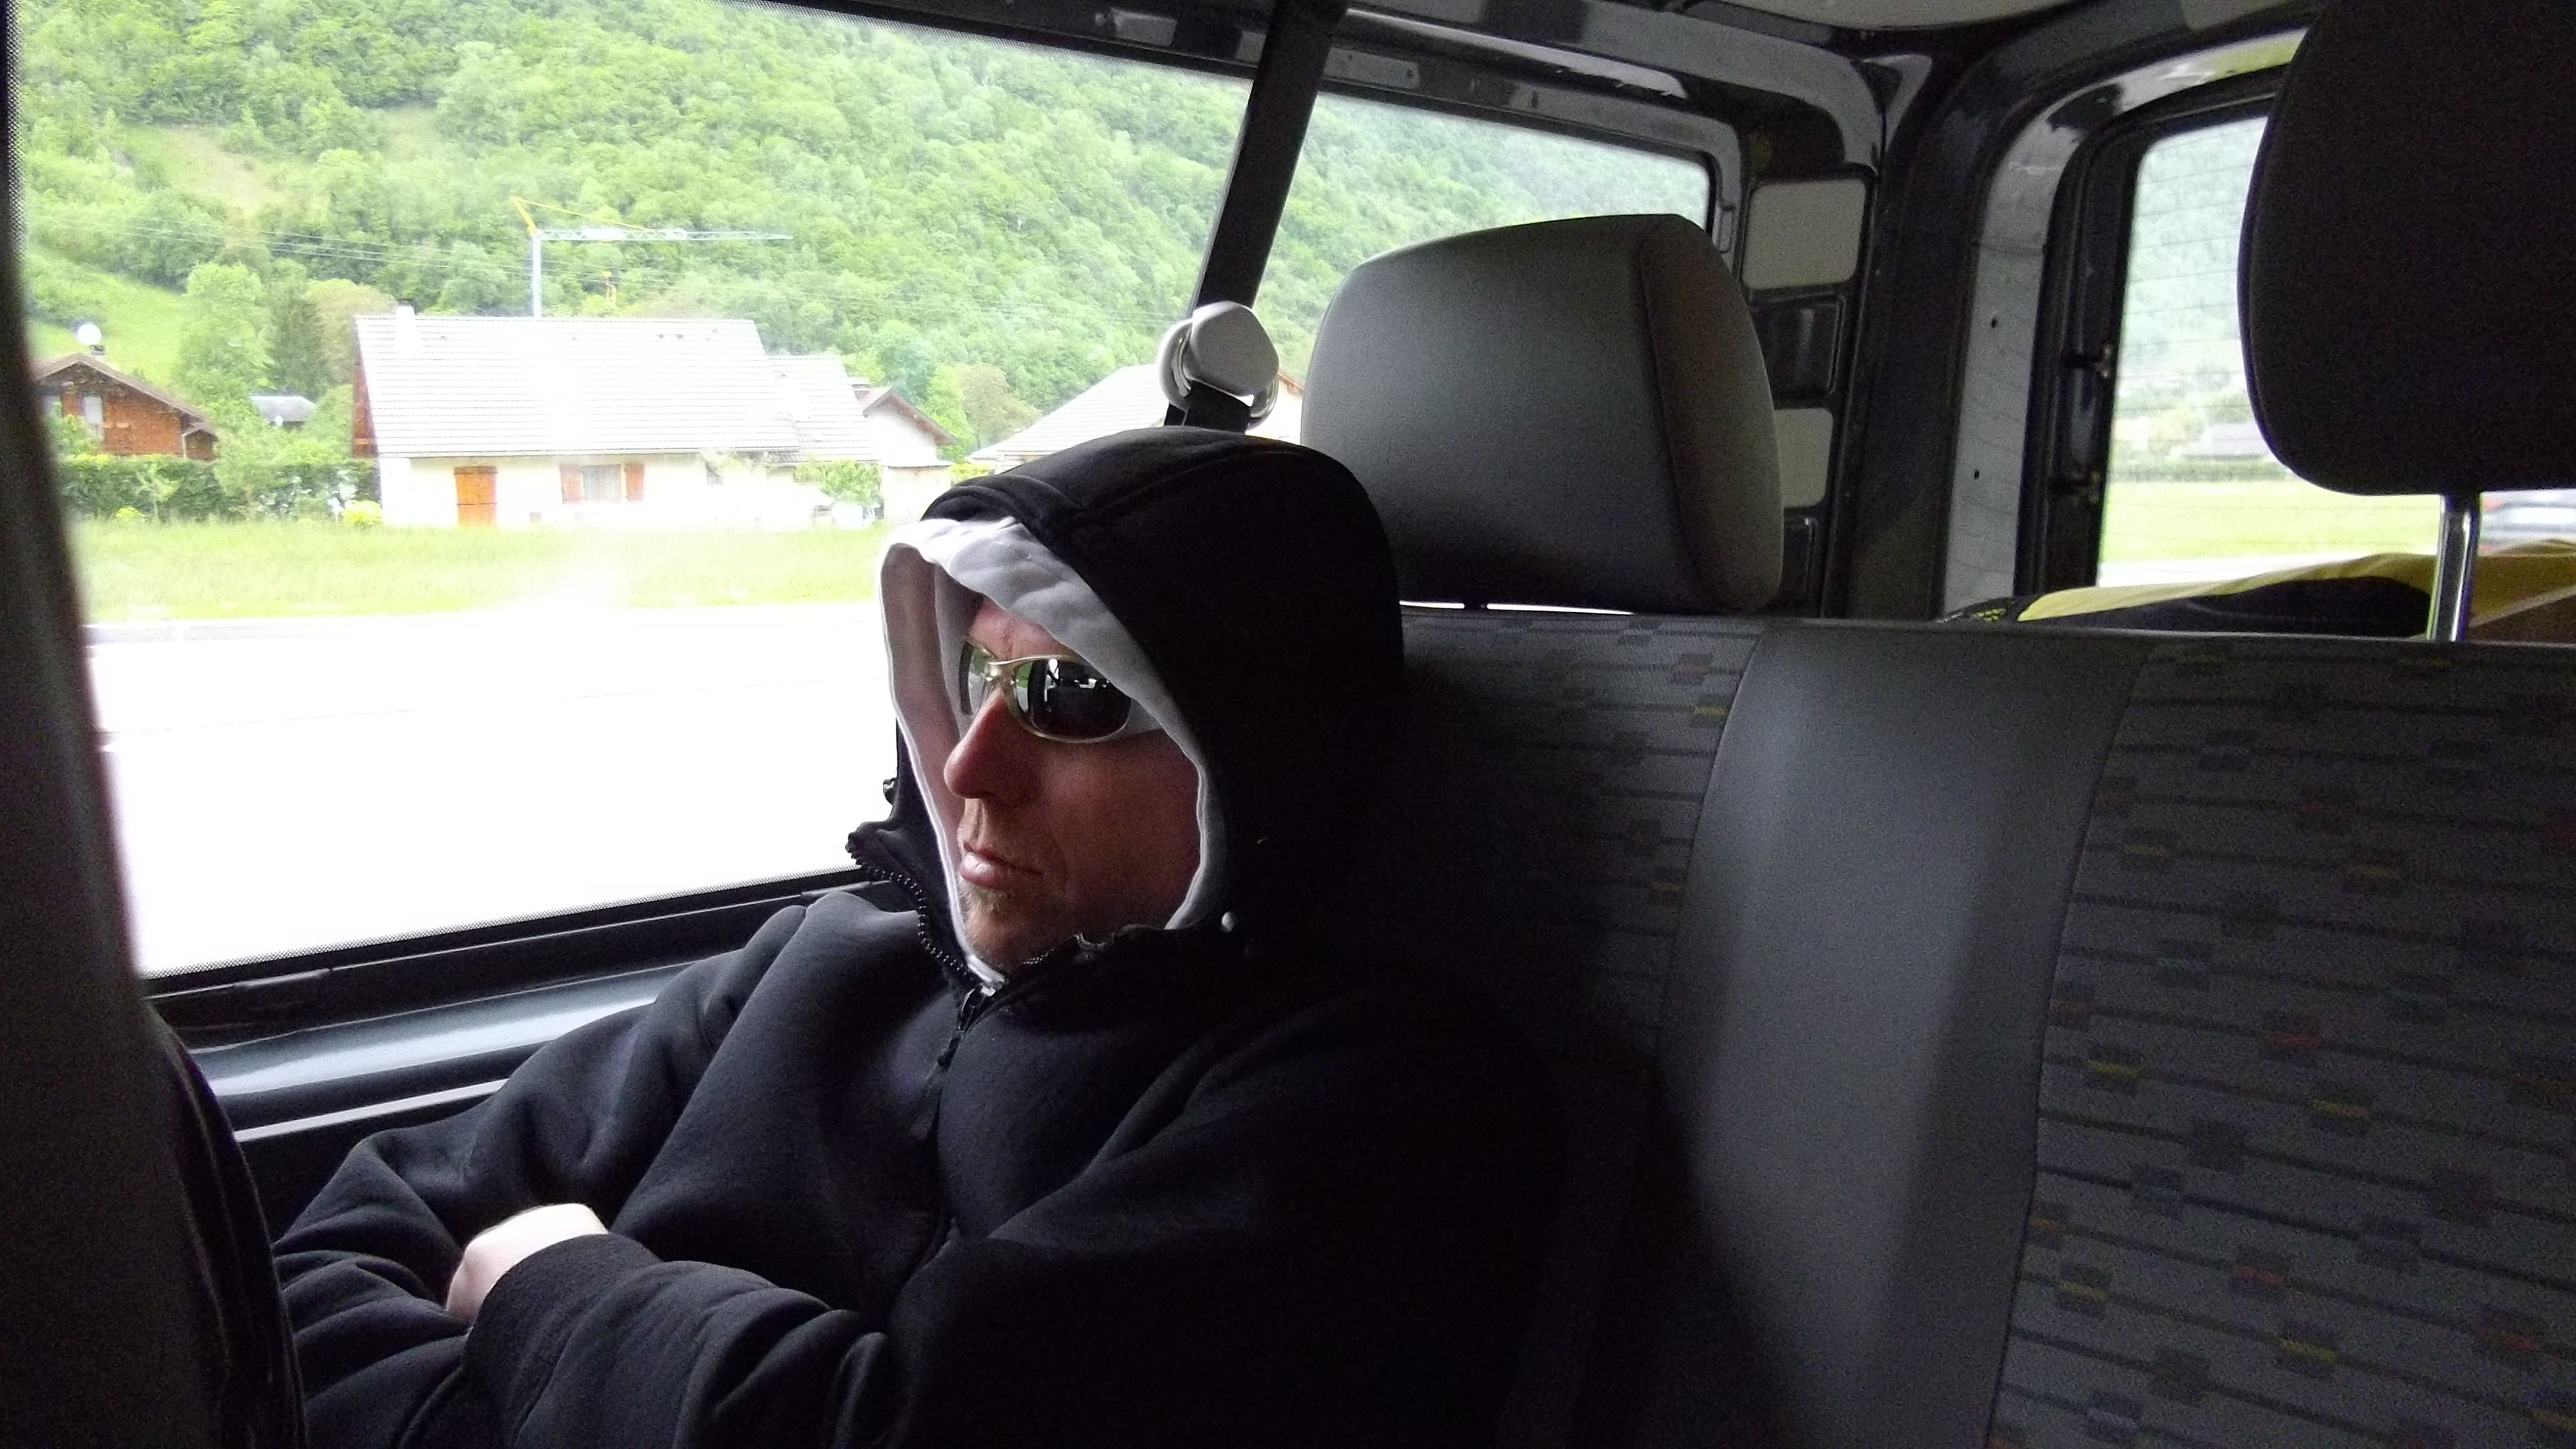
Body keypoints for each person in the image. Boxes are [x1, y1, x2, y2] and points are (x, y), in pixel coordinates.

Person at [273, 427, 1562, 1449]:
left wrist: (546, 1287)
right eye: (975, 677)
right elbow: (323, 1265)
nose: (967, 763)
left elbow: (912, 1427)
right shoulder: (819, 965)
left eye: (1070, 694)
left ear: (1252, 763)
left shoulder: (1395, 1108)